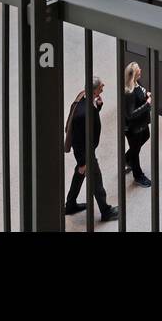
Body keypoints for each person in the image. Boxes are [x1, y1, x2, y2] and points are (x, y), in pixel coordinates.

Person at [63, 77, 119, 222]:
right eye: (101, 85)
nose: (103, 85)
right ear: (94, 90)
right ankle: (106, 211)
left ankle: (70, 205)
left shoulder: (85, 97)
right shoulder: (84, 114)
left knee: (80, 174)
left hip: (86, 151)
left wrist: (98, 107)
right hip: (86, 153)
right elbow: (78, 140)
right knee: (96, 180)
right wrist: (83, 161)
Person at [122, 62, 152, 187]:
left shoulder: (137, 83)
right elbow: (130, 114)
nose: (140, 69)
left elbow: (140, 94)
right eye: (138, 69)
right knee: (135, 151)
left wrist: (146, 95)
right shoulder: (129, 92)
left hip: (142, 123)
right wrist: (147, 104)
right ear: (134, 74)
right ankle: (138, 176)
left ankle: (126, 158)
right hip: (133, 128)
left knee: (146, 136)